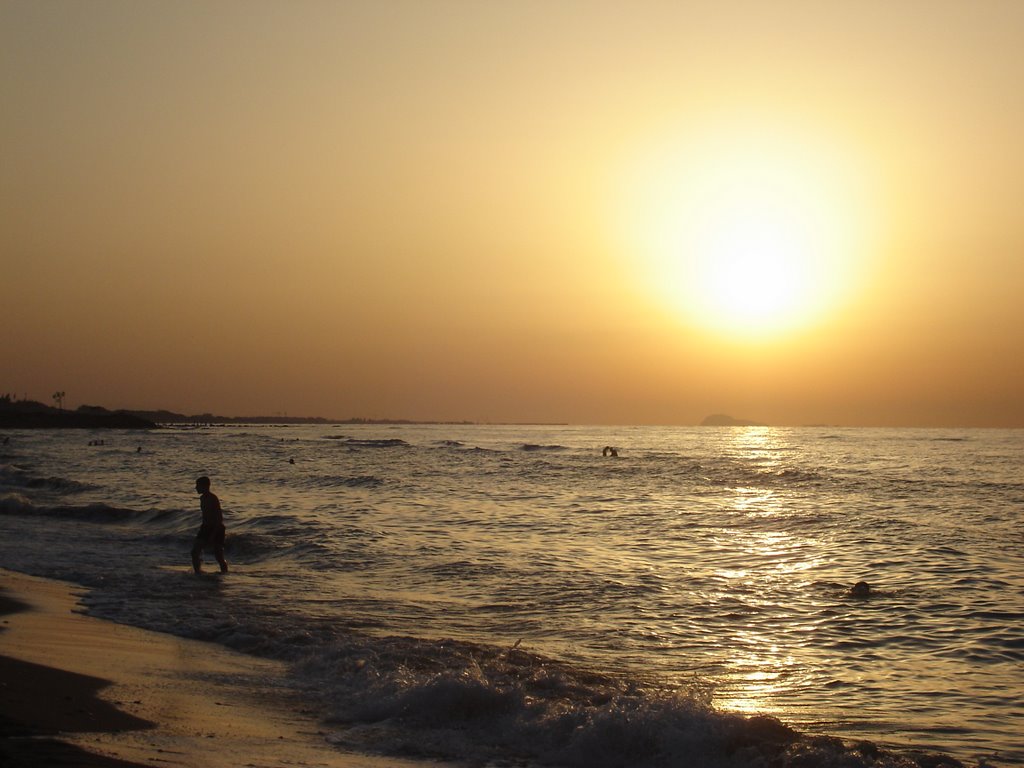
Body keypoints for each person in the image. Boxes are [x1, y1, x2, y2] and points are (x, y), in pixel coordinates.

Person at [191, 476, 228, 574]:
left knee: (219, 555)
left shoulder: (213, 498)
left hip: (217, 528)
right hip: (205, 527)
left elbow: (219, 518)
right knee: (194, 552)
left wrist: (213, 534)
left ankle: (224, 574)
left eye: (198, 486)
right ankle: (198, 573)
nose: (196, 488)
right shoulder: (202, 498)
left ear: (205, 486)